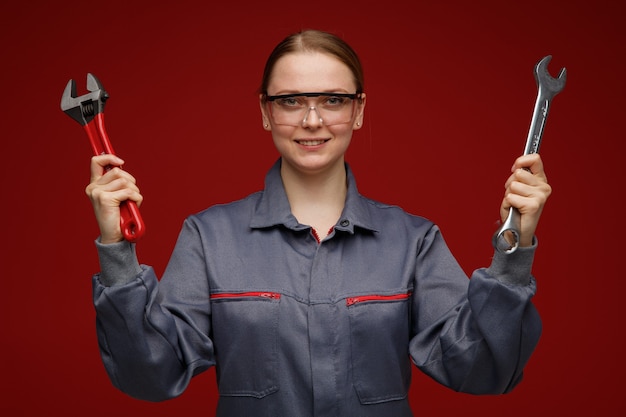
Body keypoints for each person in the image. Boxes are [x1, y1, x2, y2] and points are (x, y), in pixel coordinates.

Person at [86, 29, 551, 417]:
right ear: (266, 112)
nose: (312, 120)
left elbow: (483, 370)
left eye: (332, 99)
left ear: (359, 110)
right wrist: (116, 249)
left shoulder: (413, 241)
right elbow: (150, 375)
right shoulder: (209, 237)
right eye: (290, 101)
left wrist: (514, 250)